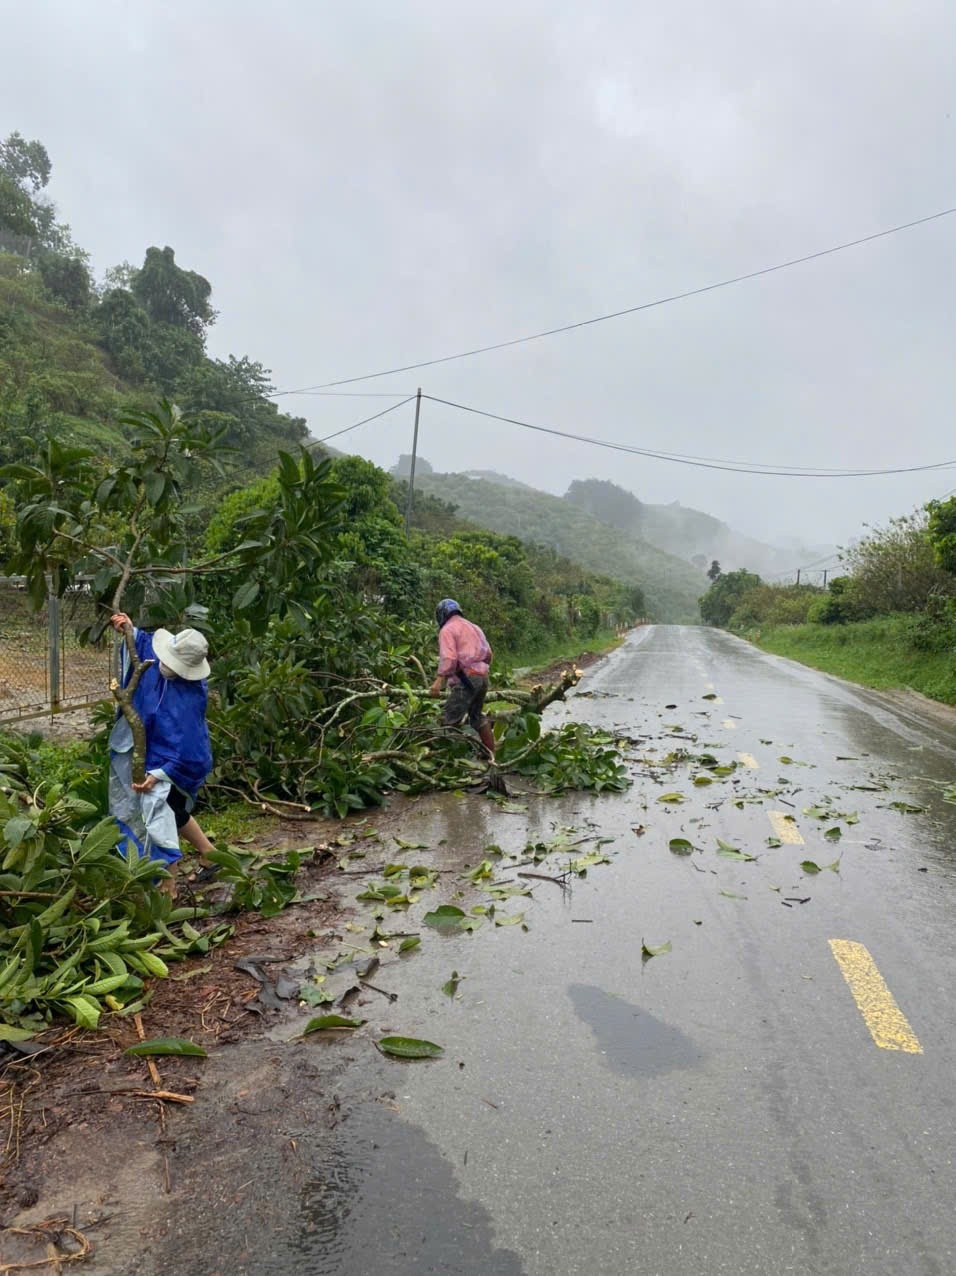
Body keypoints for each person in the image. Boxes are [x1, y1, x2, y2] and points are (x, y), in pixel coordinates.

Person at [108, 613, 216, 894]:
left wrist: (159, 774)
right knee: (173, 810)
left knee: (162, 812)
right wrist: (128, 628)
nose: (166, 666)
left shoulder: (190, 698)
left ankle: (168, 885)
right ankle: (209, 854)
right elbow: (141, 643)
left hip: (180, 764)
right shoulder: (155, 660)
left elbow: (186, 747)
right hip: (156, 753)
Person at [429, 598, 496, 756]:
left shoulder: (447, 630)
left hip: (466, 679)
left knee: (449, 718)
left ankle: (447, 760)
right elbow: (489, 655)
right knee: (477, 716)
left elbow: (449, 658)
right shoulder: (474, 627)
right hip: (482, 676)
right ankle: (491, 755)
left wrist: (439, 681)